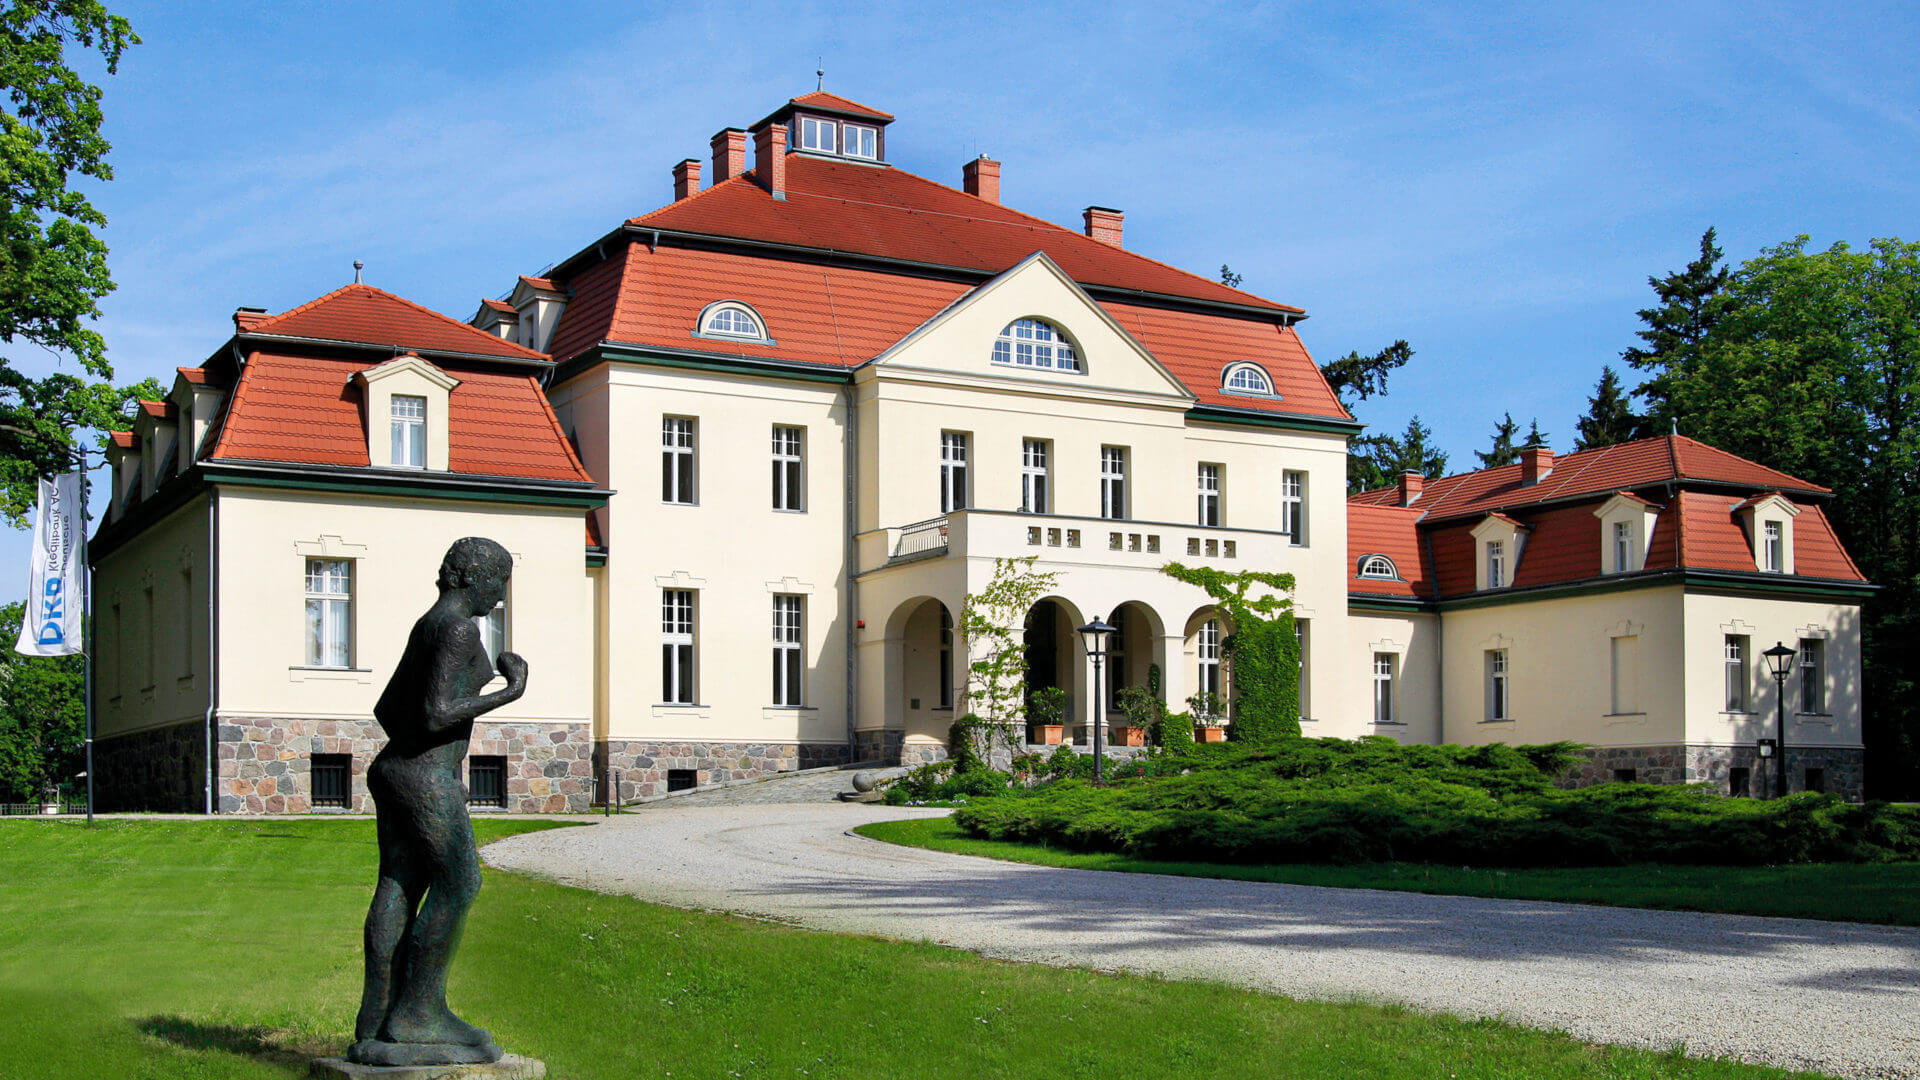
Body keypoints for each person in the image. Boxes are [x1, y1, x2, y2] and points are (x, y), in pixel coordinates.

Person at [349, 537, 525, 1067]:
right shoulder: (457, 627)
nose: (499, 596)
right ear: (473, 576)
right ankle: (419, 1014)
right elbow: (436, 712)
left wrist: (439, 765)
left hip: (397, 769)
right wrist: (510, 691)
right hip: (424, 779)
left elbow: (387, 708)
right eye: (498, 583)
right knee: (460, 882)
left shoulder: (428, 623)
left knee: (399, 885)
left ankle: (376, 1020)